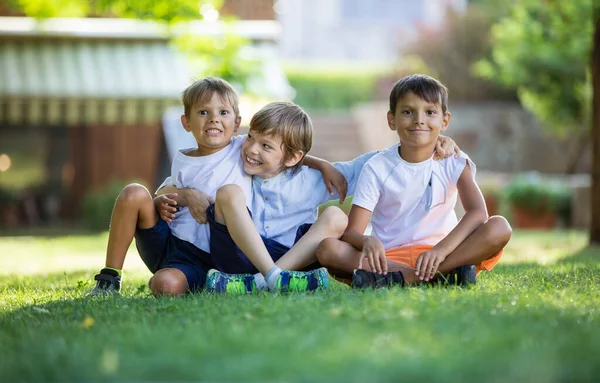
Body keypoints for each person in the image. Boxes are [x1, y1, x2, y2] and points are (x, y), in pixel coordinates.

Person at [157, 101, 460, 293]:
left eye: (266, 146)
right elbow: (186, 175)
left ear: (292, 158)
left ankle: (266, 281)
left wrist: (432, 141)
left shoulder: (311, 180)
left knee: (335, 216)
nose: (251, 149)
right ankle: (272, 279)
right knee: (228, 193)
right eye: (252, 138)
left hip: (289, 257)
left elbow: (373, 161)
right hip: (237, 254)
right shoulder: (235, 155)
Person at [89, 77, 330, 297]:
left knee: (165, 286)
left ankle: (215, 282)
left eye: (223, 112)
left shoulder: (242, 149)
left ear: (236, 123)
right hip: (171, 240)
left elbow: (279, 151)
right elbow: (163, 191)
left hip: (209, 256)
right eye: (203, 112)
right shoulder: (183, 157)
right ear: (186, 122)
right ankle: (109, 279)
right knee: (133, 192)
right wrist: (181, 197)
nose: (214, 118)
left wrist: (321, 164)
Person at [315, 74, 512, 289]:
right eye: (408, 112)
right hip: (389, 259)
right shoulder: (377, 166)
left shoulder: (453, 160)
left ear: (444, 121)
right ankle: (441, 277)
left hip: (444, 254)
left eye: (430, 112)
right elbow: (352, 232)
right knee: (328, 249)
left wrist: (440, 250)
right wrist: (367, 241)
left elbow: (478, 213)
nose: (419, 120)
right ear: (392, 120)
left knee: (499, 226)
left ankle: (407, 279)